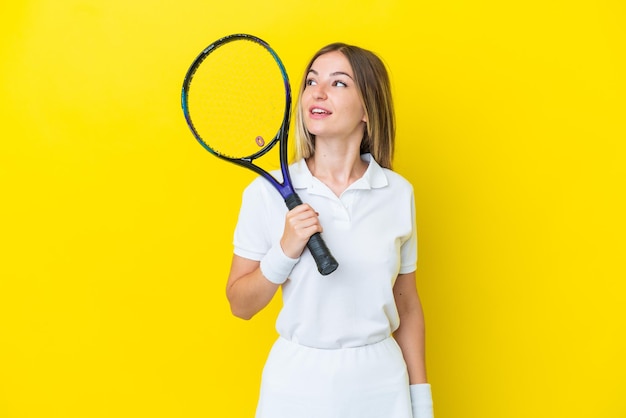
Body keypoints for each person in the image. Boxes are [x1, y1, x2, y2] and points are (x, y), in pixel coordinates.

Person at [226, 42, 434, 418]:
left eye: (339, 83)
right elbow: (240, 305)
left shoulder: (398, 193)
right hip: (295, 384)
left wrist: (421, 402)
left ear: (368, 108)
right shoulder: (264, 193)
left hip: (381, 385)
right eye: (311, 81)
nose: (318, 93)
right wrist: (284, 252)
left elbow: (408, 306)